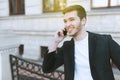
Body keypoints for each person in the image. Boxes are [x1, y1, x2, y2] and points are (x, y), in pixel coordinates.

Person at [42, 5, 120, 80]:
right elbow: (47, 68)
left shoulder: (104, 41)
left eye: (72, 19)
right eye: (65, 21)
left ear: (83, 21)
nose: (67, 24)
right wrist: (55, 42)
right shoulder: (67, 46)